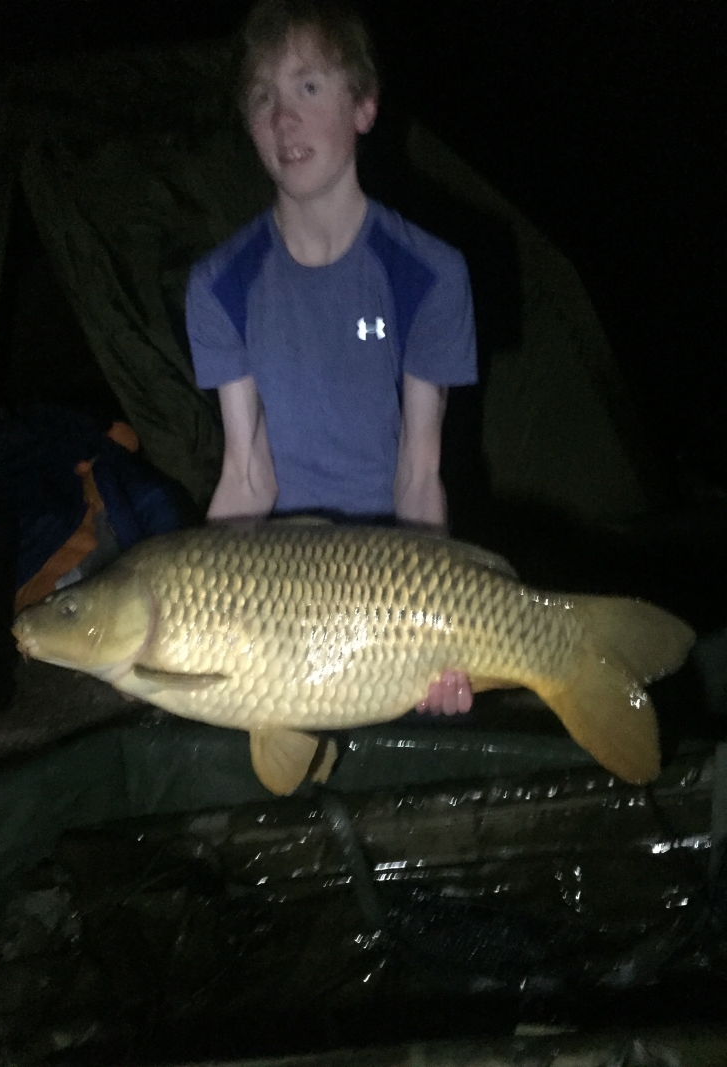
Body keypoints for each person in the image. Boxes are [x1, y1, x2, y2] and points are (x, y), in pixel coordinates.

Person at [185, 0, 476, 716]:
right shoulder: (219, 283)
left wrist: (436, 631)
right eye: (262, 98)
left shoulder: (430, 273)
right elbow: (247, 475)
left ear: (364, 106)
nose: (283, 119)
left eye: (308, 87)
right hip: (276, 592)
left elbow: (419, 473)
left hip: (390, 589)